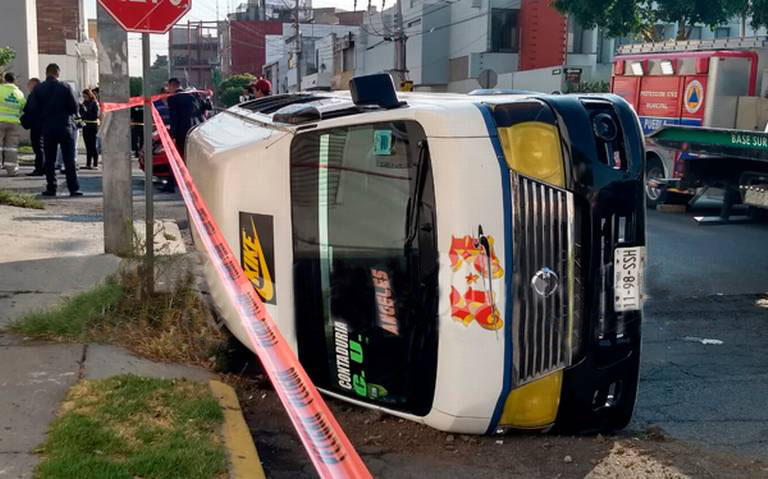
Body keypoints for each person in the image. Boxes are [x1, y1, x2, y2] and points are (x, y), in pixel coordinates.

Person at [25, 63, 81, 197]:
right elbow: (74, 107)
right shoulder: (65, 87)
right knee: (68, 159)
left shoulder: (39, 89)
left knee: (49, 160)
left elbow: (31, 108)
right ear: (58, 73)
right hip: (65, 126)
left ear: (46, 73)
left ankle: (51, 188)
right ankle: (73, 189)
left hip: (48, 127)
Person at [0, 72, 26, 177]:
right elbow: (23, 106)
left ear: (5, 79)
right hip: (14, 123)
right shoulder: (19, 93)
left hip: (0, 121)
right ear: (15, 80)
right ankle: (12, 170)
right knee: (11, 147)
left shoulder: (0, 89)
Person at [20, 78, 44, 176]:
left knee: (38, 147)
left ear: (34, 85)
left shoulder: (34, 95)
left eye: (29, 85)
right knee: (42, 147)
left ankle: (39, 169)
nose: (28, 88)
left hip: (36, 125)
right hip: (44, 124)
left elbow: (28, 109)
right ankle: (43, 168)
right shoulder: (44, 95)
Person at [79, 89, 99, 169]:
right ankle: (88, 164)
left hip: (92, 126)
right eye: (83, 96)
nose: (84, 98)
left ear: (89, 95)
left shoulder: (94, 103)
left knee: (93, 145)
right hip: (85, 126)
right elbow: (81, 114)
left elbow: (95, 115)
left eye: (85, 96)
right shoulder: (84, 103)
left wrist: (86, 112)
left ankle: (95, 164)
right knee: (87, 146)